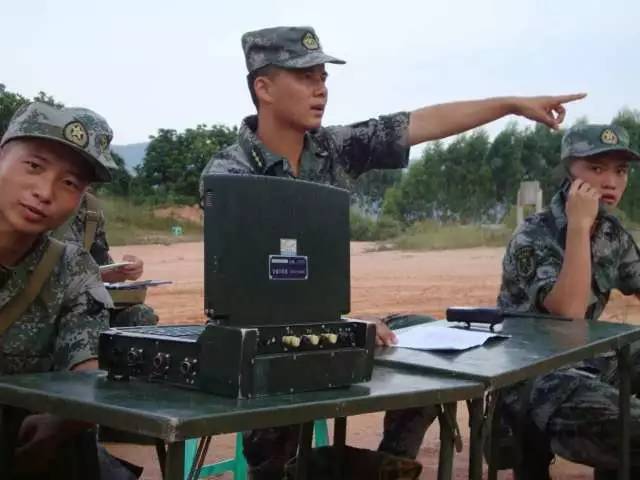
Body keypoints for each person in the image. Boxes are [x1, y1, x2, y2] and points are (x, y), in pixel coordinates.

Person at [200, 25, 585, 479]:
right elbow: (243, 295)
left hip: (335, 328)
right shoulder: (230, 175)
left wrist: (511, 105)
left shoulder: (334, 148)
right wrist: (339, 327)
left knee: (427, 350)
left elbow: (421, 123)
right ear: (263, 87)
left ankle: (387, 463)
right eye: (305, 77)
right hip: (265, 346)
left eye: (323, 77)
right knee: (279, 454)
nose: (320, 88)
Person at [0, 101, 139, 479]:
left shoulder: (73, 268)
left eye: (69, 183)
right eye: (34, 166)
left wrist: (60, 424)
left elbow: (87, 370)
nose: (44, 192)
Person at [497, 123, 640, 479]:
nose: (610, 181)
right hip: (535, 373)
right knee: (631, 433)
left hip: (589, 360)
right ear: (569, 171)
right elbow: (569, 310)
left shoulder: (611, 233)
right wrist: (578, 226)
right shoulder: (534, 234)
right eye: (596, 168)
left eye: (620, 171)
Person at [56, 192, 159, 328]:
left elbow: (102, 268)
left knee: (140, 315)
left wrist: (125, 271)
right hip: (41, 306)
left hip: (80, 303)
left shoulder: (89, 209)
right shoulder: (31, 201)